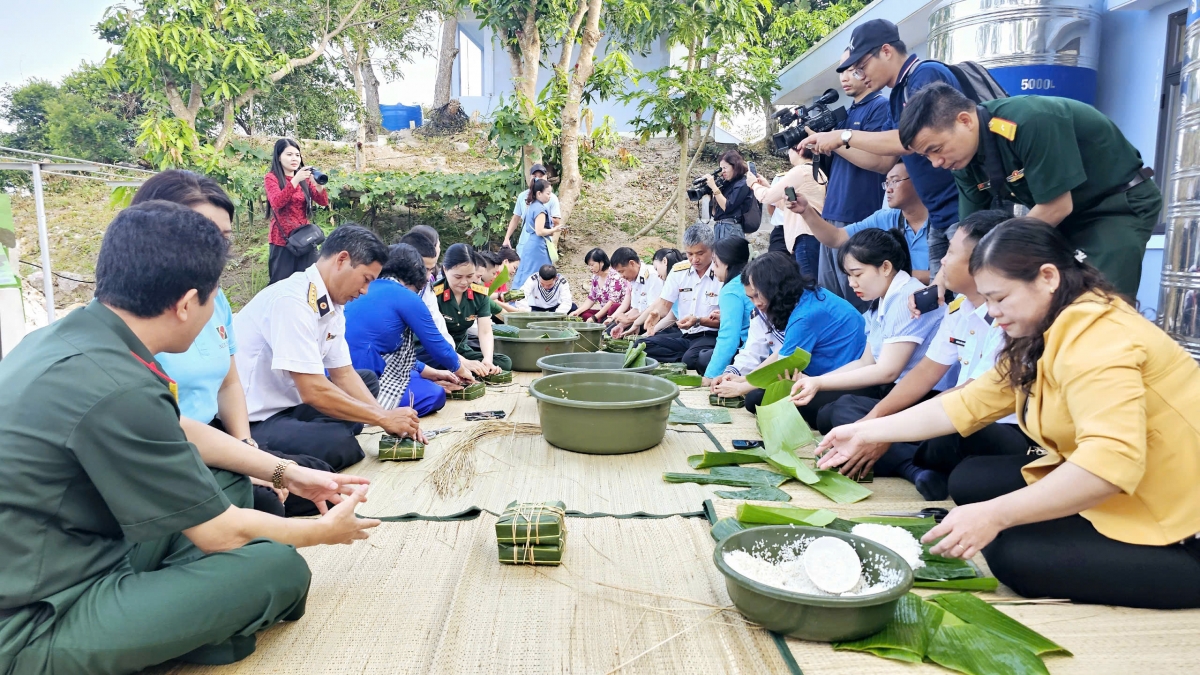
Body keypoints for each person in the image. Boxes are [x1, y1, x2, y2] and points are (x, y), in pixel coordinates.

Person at [0, 201, 380, 674]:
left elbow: (179, 430)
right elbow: (220, 532)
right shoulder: (121, 383)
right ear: (184, 304)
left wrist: (288, 472)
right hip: (35, 619)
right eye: (213, 297)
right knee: (278, 569)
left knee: (229, 479)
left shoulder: (73, 338)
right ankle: (170, 631)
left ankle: (177, 619)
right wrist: (323, 532)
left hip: (73, 546)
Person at [817, 219, 1200, 610]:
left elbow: (1108, 464)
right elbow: (968, 402)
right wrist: (867, 432)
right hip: (1126, 488)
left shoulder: (1098, 337)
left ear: (1047, 277)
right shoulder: (1048, 328)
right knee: (976, 489)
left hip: (1179, 519)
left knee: (1011, 553)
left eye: (1000, 298)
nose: (993, 313)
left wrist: (994, 516)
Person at [134, 170, 348, 519]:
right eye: (201, 236)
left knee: (319, 472)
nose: (215, 253)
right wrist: (264, 467)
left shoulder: (215, 302)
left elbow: (229, 383)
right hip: (172, 453)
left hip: (221, 434)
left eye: (223, 239)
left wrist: (248, 448)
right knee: (270, 500)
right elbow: (165, 429)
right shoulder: (137, 317)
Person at [816, 210, 1016, 500]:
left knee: (950, 445)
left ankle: (910, 461)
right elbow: (925, 372)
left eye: (950, 252)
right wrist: (871, 426)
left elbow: (971, 396)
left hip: (991, 422)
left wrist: (882, 432)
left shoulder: (1009, 317)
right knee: (845, 413)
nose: (942, 261)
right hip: (952, 408)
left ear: (985, 262)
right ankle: (915, 467)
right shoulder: (960, 308)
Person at [898, 83, 1163, 299]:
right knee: (1041, 297)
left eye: (936, 149)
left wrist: (995, 255)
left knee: (1098, 301)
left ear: (965, 120)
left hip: (1114, 207)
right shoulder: (963, 161)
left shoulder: (1030, 121)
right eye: (926, 156)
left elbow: (1056, 206)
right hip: (1062, 221)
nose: (936, 163)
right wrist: (944, 275)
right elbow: (969, 231)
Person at [235, 225, 423, 484]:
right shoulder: (292, 301)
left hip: (288, 403)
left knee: (366, 380)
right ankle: (263, 456)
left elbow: (344, 373)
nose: (365, 291)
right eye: (366, 279)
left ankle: (311, 436)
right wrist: (382, 417)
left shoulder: (332, 304)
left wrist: (385, 418)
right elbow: (312, 390)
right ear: (342, 260)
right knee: (342, 445)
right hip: (254, 419)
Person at [805, 19, 965, 277]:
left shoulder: (924, 75)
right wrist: (837, 143)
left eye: (861, 67)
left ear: (886, 51)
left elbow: (909, 140)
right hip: (939, 214)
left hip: (960, 207)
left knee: (970, 295)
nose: (860, 76)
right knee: (945, 299)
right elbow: (882, 161)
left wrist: (843, 135)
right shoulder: (897, 97)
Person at [789, 228, 945, 427]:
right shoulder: (881, 300)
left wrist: (819, 383)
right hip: (889, 387)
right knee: (812, 405)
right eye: (848, 276)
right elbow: (866, 362)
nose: (852, 283)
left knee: (837, 412)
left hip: (921, 395)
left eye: (857, 274)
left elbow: (887, 371)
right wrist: (815, 382)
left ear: (886, 267)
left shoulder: (907, 299)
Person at [713, 252, 866, 413]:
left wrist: (740, 388)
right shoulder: (805, 296)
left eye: (758, 295)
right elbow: (783, 353)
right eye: (750, 298)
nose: (756, 303)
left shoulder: (805, 315)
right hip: (825, 373)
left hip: (842, 379)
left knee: (755, 399)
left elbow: (783, 366)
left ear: (775, 287)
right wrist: (744, 379)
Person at [809, 49, 895, 309]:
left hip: (859, 214)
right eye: (841, 70)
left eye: (851, 69)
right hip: (832, 211)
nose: (844, 77)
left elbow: (879, 162)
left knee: (857, 297)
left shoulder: (880, 107)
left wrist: (835, 142)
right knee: (831, 298)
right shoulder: (847, 113)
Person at [345, 244, 474, 418]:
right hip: (363, 378)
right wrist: (463, 372)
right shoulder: (406, 296)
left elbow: (394, 354)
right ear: (416, 277)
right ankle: (372, 410)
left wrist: (432, 372)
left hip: (341, 373)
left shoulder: (365, 288)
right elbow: (437, 344)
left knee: (421, 378)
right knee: (435, 394)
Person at [788, 160, 931, 283]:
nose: (888, 189)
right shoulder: (885, 218)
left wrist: (896, 275)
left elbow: (951, 275)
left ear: (918, 180)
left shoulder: (944, 220)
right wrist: (806, 211)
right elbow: (837, 237)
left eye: (894, 181)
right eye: (886, 183)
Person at [639, 224, 722, 370]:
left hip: (710, 335)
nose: (694, 259)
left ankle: (692, 356)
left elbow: (726, 320)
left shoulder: (721, 272)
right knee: (641, 345)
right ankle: (690, 355)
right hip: (685, 335)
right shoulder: (679, 271)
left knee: (691, 358)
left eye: (700, 253)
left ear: (712, 249)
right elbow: (665, 305)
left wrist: (698, 321)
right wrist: (656, 314)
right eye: (690, 254)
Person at [746, 142, 826, 278]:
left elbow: (766, 197)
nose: (788, 154)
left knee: (809, 286)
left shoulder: (800, 171)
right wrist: (766, 185)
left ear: (799, 150)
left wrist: (753, 184)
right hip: (813, 235)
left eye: (790, 150)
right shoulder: (817, 171)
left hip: (804, 236)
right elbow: (787, 206)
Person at [434, 243, 512, 375]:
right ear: (445, 270)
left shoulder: (479, 295)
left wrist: (488, 360)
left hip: (461, 349)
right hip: (436, 351)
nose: (464, 282)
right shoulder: (433, 295)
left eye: (470, 276)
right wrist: (462, 362)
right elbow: (433, 340)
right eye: (458, 277)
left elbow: (486, 331)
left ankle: (467, 370)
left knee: (504, 362)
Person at [265, 137, 330, 284]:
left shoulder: (304, 179)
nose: (294, 158)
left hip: (305, 239)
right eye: (289, 154)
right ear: (279, 157)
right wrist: (295, 180)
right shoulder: (272, 178)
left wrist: (318, 186)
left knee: (309, 283)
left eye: (297, 155)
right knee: (280, 284)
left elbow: (323, 202)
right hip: (282, 241)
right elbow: (277, 202)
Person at [699, 237, 753, 383]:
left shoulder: (731, 290)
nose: (713, 269)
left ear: (727, 264)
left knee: (702, 358)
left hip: (752, 350)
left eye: (715, 264)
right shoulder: (749, 279)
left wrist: (710, 376)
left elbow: (729, 338)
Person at [612, 248, 684, 338]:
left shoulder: (653, 276)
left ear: (664, 261)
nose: (657, 273)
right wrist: (641, 332)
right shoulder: (669, 284)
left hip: (681, 328)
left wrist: (632, 322)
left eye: (656, 268)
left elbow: (656, 309)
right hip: (652, 321)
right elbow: (670, 316)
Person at [514, 178, 567, 284]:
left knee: (525, 272)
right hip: (538, 247)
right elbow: (540, 231)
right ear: (539, 193)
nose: (550, 196)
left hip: (531, 244)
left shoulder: (532, 206)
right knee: (540, 274)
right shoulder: (540, 210)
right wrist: (555, 229)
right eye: (548, 193)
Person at [503, 163, 562, 248]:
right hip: (524, 242)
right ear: (530, 177)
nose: (537, 178)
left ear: (546, 177)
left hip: (542, 243)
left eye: (541, 176)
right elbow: (515, 218)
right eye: (534, 176)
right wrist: (507, 238)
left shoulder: (551, 198)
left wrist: (540, 218)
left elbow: (557, 222)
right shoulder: (522, 196)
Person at [707, 149, 755, 241]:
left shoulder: (743, 183)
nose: (722, 172)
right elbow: (715, 213)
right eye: (721, 169)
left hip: (732, 228)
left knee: (729, 255)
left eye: (725, 168)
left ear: (735, 166)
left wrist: (714, 187)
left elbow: (727, 206)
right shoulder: (726, 184)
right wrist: (710, 193)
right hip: (719, 227)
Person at [572, 248, 627, 323]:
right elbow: (591, 298)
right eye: (589, 265)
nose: (590, 268)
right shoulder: (595, 277)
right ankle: (599, 320)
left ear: (601, 263)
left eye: (592, 265)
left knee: (613, 308)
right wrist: (577, 312)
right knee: (583, 314)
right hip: (602, 312)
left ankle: (602, 321)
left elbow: (612, 302)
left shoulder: (615, 277)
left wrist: (595, 317)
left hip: (615, 312)